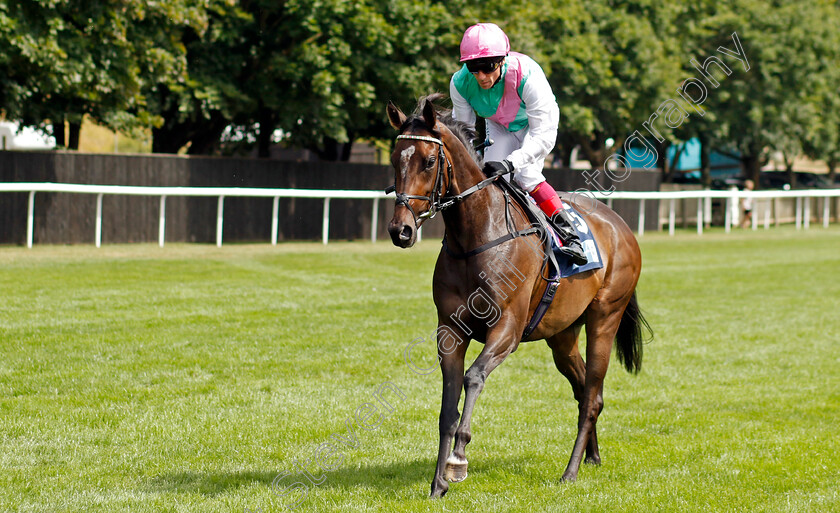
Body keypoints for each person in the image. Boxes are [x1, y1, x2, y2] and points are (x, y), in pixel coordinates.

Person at [450, 22, 587, 265]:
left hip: (535, 127)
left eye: (487, 66)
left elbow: (543, 135)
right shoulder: (459, 84)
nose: (481, 75)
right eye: (473, 67)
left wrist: (510, 162)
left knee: (525, 174)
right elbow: (463, 132)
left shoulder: (528, 75)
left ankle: (569, 234)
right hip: (500, 127)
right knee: (490, 178)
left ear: (502, 60)